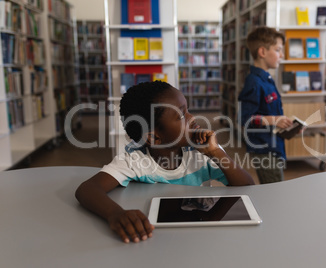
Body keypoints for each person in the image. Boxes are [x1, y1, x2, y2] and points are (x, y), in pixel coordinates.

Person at [75, 81, 255, 243]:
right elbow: (88, 189)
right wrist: (115, 214)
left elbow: (246, 184)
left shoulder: (203, 151)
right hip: (155, 237)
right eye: (182, 115)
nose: (192, 118)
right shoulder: (136, 159)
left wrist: (215, 152)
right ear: (154, 137)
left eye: (188, 109)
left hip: (199, 234)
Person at [238, 26, 293, 184]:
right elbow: (245, 118)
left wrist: (288, 125)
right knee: (274, 189)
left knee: (275, 185)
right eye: (278, 50)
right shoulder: (253, 82)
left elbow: (268, 112)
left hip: (275, 144)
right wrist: (274, 120)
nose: (281, 55)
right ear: (262, 52)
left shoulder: (267, 79)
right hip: (264, 148)